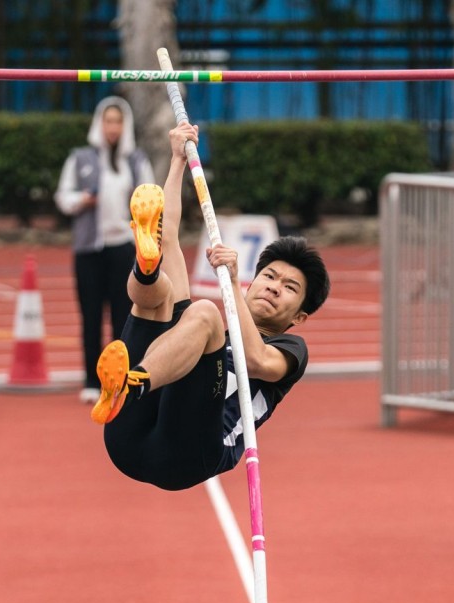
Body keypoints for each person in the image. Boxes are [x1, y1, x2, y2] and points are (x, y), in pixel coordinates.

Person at [91, 122, 331, 491]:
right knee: (164, 290)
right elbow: (169, 238)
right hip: (127, 434)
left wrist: (231, 284)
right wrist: (176, 160)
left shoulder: (290, 348)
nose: (273, 287)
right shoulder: (196, 335)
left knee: (203, 314)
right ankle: (145, 271)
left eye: (289, 288)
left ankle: (132, 382)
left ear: (299, 315)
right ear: (255, 281)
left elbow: (256, 362)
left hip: (190, 455)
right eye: (269, 276)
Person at [54, 96, 155, 404]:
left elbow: (150, 197)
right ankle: (90, 379)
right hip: (89, 249)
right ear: (99, 124)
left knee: (124, 316)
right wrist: (82, 200)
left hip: (123, 247)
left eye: (118, 122)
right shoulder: (81, 158)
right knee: (91, 315)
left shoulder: (135, 160)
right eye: (108, 121)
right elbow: (63, 197)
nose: (113, 127)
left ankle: (121, 378)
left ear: (126, 126)